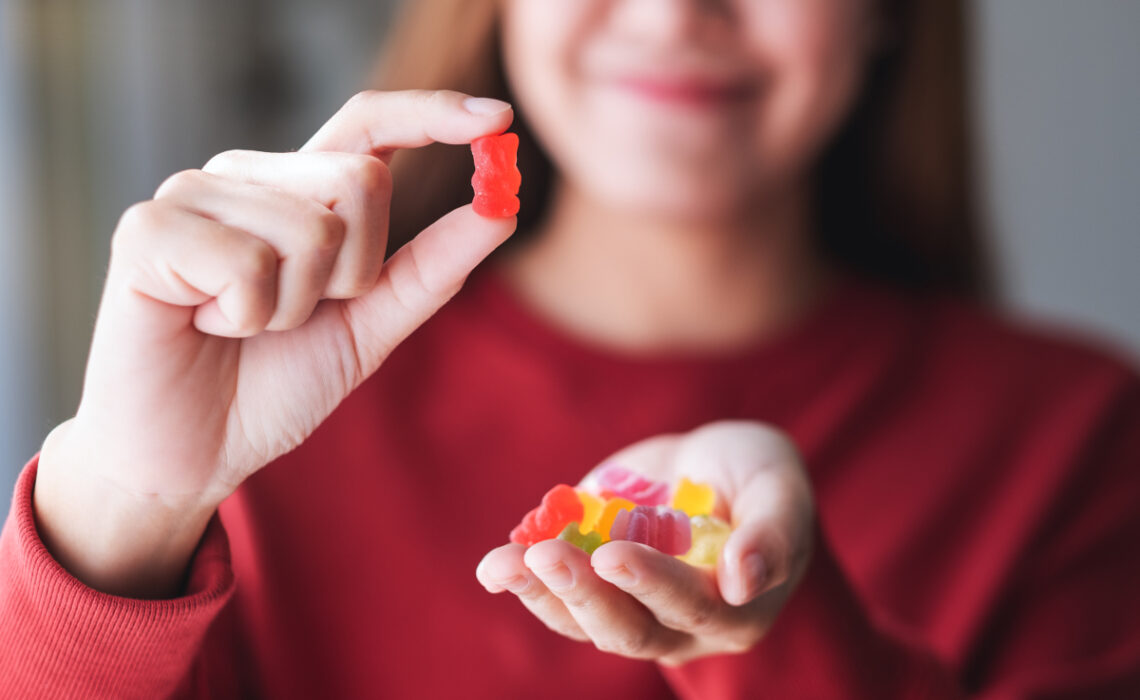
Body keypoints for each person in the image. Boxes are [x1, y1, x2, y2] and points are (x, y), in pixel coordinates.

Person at [2, 0, 1138, 697]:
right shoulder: (278, 413)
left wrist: (782, 643)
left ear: (889, 8)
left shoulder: (1079, 438)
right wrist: (128, 503)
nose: (672, 10)